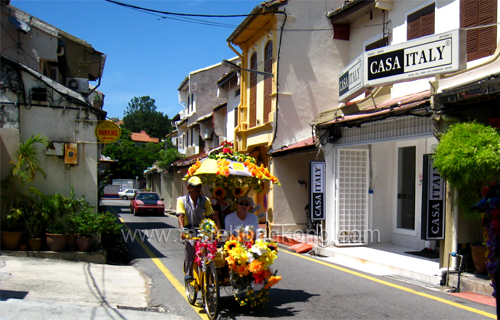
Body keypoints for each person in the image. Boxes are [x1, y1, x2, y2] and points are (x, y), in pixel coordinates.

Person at [176, 176, 217, 281]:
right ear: (189, 187)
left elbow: (211, 217)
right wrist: (182, 230)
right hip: (188, 229)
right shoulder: (181, 200)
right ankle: (189, 272)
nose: (198, 189)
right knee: (190, 247)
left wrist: (216, 231)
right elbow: (181, 216)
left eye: (199, 186)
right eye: (195, 187)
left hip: (202, 229)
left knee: (210, 248)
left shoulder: (205, 200)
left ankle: (210, 272)